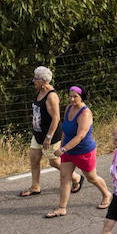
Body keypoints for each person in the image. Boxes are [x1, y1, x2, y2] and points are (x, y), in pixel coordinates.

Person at [45, 86, 109, 218]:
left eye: (75, 96)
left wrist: (63, 149)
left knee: (92, 177)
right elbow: (65, 129)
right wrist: (62, 145)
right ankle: (62, 208)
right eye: (70, 96)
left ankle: (107, 194)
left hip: (83, 151)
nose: (72, 99)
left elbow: (80, 136)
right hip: (68, 150)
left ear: (82, 97)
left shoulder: (85, 114)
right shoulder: (69, 108)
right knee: (64, 178)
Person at [19, 66, 69, 197]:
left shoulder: (51, 96)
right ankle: (35, 186)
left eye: (35, 79)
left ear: (43, 81)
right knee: (34, 158)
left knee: (54, 162)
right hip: (38, 133)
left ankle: (75, 178)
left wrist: (49, 137)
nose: (33, 81)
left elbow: (56, 118)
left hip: (49, 135)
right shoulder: (40, 90)